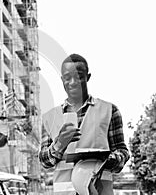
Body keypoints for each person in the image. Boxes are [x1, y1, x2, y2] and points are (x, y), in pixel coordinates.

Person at [39, 54, 130, 195]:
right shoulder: (49, 118)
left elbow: (122, 152)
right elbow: (44, 162)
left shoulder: (110, 111)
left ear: (88, 77)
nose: (73, 82)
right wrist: (59, 145)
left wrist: (110, 160)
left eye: (79, 76)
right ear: (62, 80)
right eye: (68, 78)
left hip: (98, 189)